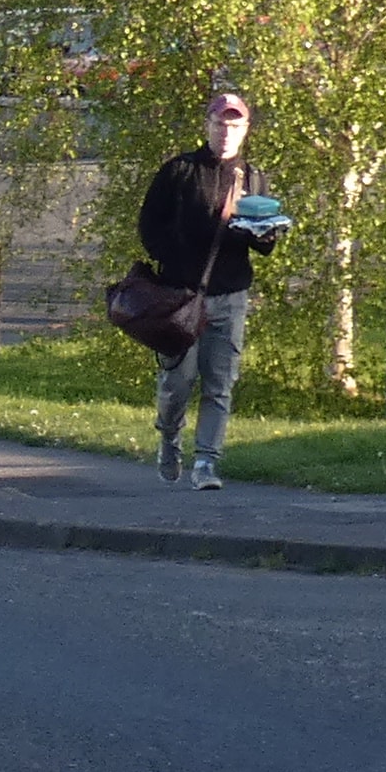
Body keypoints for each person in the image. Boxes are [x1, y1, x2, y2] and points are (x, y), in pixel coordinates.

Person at [135, 86, 269, 486]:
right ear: (207, 125)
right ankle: (169, 438)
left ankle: (207, 462)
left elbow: (262, 240)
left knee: (220, 383)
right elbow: (149, 227)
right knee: (177, 383)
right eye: (219, 123)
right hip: (180, 297)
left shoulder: (254, 178)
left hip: (230, 296)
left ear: (245, 129)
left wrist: (264, 235)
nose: (226, 131)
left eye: (234, 124)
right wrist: (177, 258)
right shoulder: (179, 171)